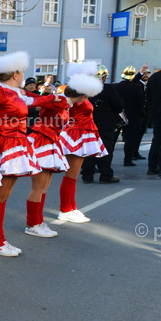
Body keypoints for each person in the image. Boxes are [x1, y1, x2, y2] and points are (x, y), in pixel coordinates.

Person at [0, 52, 57, 257]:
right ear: (15, 74)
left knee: (4, 195)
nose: (23, 75)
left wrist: (57, 97)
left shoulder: (17, 93)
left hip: (16, 144)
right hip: (3, 144)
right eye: (22, 72)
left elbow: (37, 101)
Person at [58, 63, 106, 223]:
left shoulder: (81, 92)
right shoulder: (73, 93)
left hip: (82, 133)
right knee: (71, 175)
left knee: (73, 175)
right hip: (76, 134)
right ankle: (65, 209)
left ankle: (71, 207)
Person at [24, 76, 71, 238]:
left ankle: (38, 220)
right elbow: (35, 101)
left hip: (51, 141)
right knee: (38, 187)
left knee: (43, 187)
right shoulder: (58, 101)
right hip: (41, 140)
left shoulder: (65, 102)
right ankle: (32, 223)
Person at [81, 65, 125, 184]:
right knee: (105, 150)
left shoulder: (84, 89)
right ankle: (106, 175)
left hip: (87, 125)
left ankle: (87, 175)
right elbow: (119, 106)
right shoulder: (108, 89)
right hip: (104, 124)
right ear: (103, 77)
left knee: (88, 150)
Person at [117, 66, 147, 166]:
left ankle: (106, 160)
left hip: (119, 115)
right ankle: (128, 160)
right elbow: (140, 103)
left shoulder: (116, 87)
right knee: (130, 139)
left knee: (112, 139)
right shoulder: (136, 88)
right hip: (133, 116)